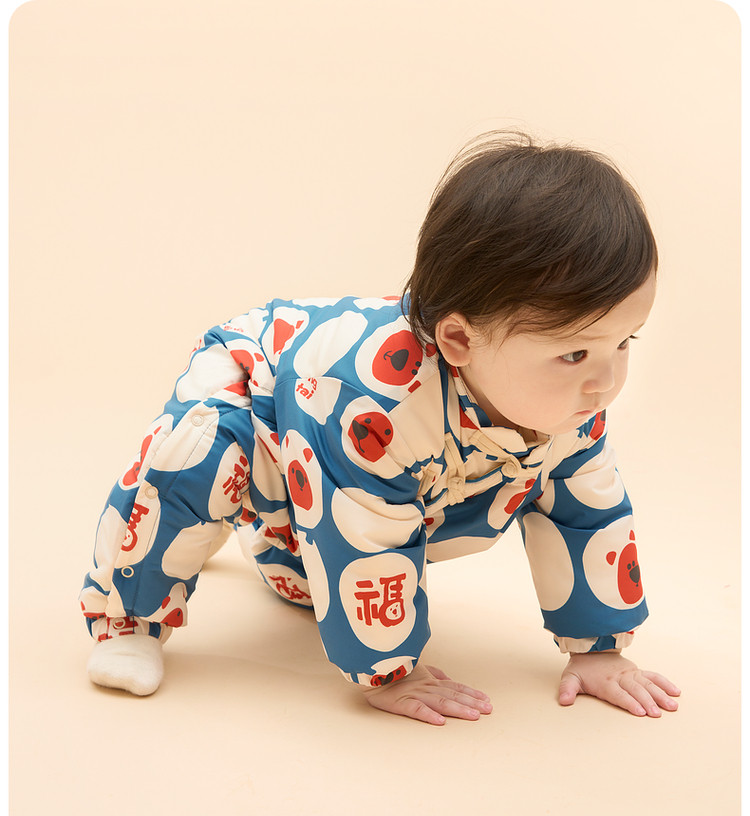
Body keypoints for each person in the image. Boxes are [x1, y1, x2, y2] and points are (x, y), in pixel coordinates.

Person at [79, 130, 681, 725]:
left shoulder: (568, 402)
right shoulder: (377, 406)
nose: (606, 381)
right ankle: (128, 618)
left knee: (308, 571)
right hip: (265, 399)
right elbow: (361, 536)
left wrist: (598, 650)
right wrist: (391, 671)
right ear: (459, 340)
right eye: (575, 354)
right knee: (195, 459)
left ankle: (275, 544)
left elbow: (588, 513)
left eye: (624, 342)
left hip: (346, 470)